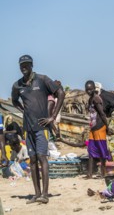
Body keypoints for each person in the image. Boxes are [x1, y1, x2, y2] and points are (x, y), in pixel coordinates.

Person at [11, 55, 65, 204]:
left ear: (32, 65)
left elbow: (60, 93)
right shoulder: (17, 85)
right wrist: (24, 110)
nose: (24, 67)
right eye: (22, 65)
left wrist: (52, 117)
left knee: (42, 158)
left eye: (27, 64)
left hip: (42, 127)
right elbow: (14, 100)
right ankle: (37, 194)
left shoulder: (42, 79)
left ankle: (45, 194)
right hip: (28, 128)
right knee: (32, 160)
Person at [85, 80, 112, 178]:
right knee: (91, 150)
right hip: (93, 128)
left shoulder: (96, 99)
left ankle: (103, 173)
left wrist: (107, 127)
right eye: (87, 89)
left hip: (100, 127)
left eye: (90, 89)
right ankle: (89, 174)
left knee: (102, 151)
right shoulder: (90, 99)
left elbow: (102, 114)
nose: (88, 91)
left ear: (94, 89)